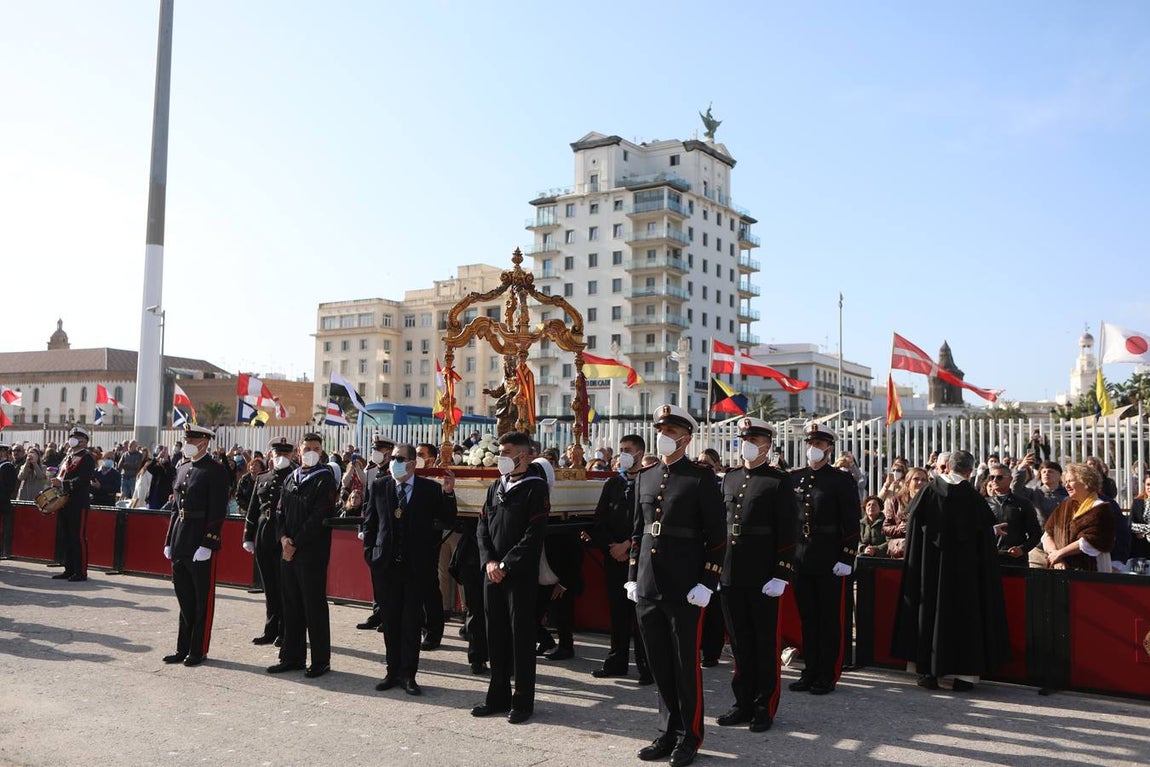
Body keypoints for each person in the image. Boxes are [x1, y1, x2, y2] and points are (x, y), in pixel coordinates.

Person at [625, 404, 725, 767]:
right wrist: (634, 576)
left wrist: (708, 581)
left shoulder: (701, 479)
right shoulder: (646, 476)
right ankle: (667, 731)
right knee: (659, 664)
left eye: (670, 431)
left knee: (685, 664)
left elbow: (717, 537)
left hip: (685, 587)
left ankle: (690, 736)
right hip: (650, 583)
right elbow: (638, 531)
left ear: (686, 437)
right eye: (661, 429)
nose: (663, 436)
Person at [891, 450, 1011, 692]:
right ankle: (962, 676)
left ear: (946, 467)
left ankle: (926, 672)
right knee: (964, 619)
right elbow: (982, 540)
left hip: (927, 573)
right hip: (963, 576)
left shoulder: (927, 492)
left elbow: (913, 534)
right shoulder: (973, 499)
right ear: (969, 471)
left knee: (927, 615)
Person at [715, 418, 797, 734]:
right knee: (739, 643)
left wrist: (781, 574)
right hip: (731, 573)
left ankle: (765, 706)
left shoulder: (778, 481)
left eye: (753, 438)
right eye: (744, 437)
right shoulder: (731, 479)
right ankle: (743, 703)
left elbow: (788, 531)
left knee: (764, 644)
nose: (747, 443)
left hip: (763, 576)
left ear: (766, 445)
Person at [364, 443, 457, 696]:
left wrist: (449, 493)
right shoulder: (380, 485)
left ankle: (408, 675)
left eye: (399, 458)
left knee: (411, 623)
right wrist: (370, 554)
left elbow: (448, 520)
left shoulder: (430, 489)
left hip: (416, 568)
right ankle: (392, 671)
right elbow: (370, 522)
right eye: (392, 457)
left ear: (413, 464)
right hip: (386, 566)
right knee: (390, 621)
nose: (394, 461)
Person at [471, 431, 549, 725]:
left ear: (525, 455)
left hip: (519, 575)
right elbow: (482, 527)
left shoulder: (536, 489)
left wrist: (505, 564)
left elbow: (534, 535)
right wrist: (489, 561)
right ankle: (497, 696)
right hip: (492, 574)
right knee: (496, 635)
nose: (502, 457)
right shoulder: (495, 486)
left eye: (508, 452)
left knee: (521, 638)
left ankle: (522, 701)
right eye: (500, 451)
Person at [788, 423, 858, 696]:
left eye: (819, 444)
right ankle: (810, 670)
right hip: (801, 557)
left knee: (829, 619)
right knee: (808, 618)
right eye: (810, 444)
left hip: (829, 557)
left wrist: (847, 556)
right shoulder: (795, 478)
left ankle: (827, 674)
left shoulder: (840, 480)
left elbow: (852, 521)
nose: (813, 448)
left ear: (829, 447)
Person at [268, 433, 339, 678]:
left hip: (311, 553)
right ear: (299, 451)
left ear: (321, 452)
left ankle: (321, 661)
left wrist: (295, 542)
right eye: (307, 447)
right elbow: (278, 513)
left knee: (313, 607)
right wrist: (283, 538)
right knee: (291, 606)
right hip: (288, 552)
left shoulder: (325, 479)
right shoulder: (290, 478)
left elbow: (319, 517)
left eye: (315, 448)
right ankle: (292, 656)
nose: (310, 451)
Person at [161, 425, 230, 666]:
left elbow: (217, 509)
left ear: (205, 442)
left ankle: (198, 649)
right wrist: (169, 539)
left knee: (202, 598)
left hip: (200, 537)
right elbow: (175, 508)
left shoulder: (216, 471)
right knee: (184, 597)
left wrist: (208, 542)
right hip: (181, 536)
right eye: (187, 437)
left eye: (192, 438)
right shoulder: (182, 468)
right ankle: (182, 648)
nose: (188, 441)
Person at [585, 434, 651, 683]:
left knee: (641, 615)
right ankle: (617, 661)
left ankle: (647, 667)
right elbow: (599, 520)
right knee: (618, 613)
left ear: (640, 453)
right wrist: (612, 546)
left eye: (628, 449)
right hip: (614, 558)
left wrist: (628, 546)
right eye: (620, 449)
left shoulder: (649, 482)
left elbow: (649, 522)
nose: (622, 454)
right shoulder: (613, 485)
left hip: (640, 560)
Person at [242, 438, 294, 646]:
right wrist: (248, 535)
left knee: (284, 588)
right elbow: (254, 508)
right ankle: (270, 629)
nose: (280, 457)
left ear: (291, 455)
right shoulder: (263, 477)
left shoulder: (294, 476)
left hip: (283, 537)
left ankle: (285, 630)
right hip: (264, 536)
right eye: (277, 454)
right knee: (269, 587)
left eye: (285, 454)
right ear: (270, 455)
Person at [1042, 462, 1116, 572]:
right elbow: (1047, 534)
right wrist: (1055, 556)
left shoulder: (1100, 508)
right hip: (1059, 569)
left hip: (1090, 570)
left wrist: (1060, 553)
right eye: (1065, 482)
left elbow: (1090, 541)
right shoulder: (1064, 506)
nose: (1066, 485)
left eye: (1070, 481)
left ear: (1086, 482)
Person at [357, 436, 395, 631]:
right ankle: (377, 612)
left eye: (379, 449)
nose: (376, 452)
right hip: (375, 529)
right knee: (376, 573)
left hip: (389, 530)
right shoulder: (372, 471)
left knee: (389, 576)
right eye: (374, 448)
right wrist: (363, 528)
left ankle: (387, 614)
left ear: (389, 451)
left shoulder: (395, 470)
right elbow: (367, 501)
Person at [52, 427, 97, 582]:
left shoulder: (87, 457)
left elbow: (84, 479)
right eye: (72, 436)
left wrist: (63, 484)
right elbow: (60, 474)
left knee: (78, 537)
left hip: (78, 502)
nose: (73, 439)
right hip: (64, 501)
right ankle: (69, 568)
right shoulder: (67, 457)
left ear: (84, 441)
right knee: (66, 536)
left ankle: (81, 571)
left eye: (77, 437)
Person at [983, 465, 1042, 567]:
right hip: (989, 559)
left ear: (1010, 479)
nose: (994, 480)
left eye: (999, 477)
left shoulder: (1023, 503)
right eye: (991, 477)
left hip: (1016, 560)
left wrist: (1022, 549)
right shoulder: (984, 504)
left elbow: (1036, 533)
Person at [882, 467, 929, 560]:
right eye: (916, 479)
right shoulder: (896, 501)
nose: (920, 482)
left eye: (923, 480)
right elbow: (885, 528)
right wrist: (899, 529)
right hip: (902, 551)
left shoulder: (932, 501)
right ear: (908, 482)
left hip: (923, 551)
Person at [0, 445, 17, 558]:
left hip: (2, 502)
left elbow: (9, 487)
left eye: (1, 451)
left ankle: (4, 552)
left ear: (5, 453)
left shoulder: (8, 467)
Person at [1130, 475, 1150, 560]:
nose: (1149, 487)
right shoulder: (1137, 502)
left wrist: (1142, 530)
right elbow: (1130, 524)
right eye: (1148, 484)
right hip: (1140, 549)